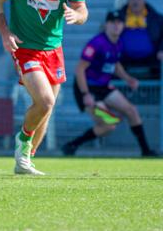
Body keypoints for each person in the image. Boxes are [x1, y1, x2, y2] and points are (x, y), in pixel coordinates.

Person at [0, 0, 88, 175]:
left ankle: (25, 159)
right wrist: (4, 32)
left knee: (47, 108)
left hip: (54, 50)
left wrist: (77, 17)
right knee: (44, 101)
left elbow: (82, 10)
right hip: (26, 48)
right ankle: (22, 141)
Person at [62, 11, 157, 157]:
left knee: (131, 111)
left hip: (103, 87)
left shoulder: (118, 43)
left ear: (123, 25)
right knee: (109, 124)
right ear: (106, 24)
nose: (116, 25)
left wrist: (128, 79)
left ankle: (146, 151)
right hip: (87, 88)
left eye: (119, 22)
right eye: (112, 22)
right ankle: (73, 144)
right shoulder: (96, 44)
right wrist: (85, 94)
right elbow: (80, 69)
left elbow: (115, 64)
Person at [118, 0, 163, 79]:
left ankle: (147, 92)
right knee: (106, 62)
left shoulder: (157, 18)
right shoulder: (117, 17)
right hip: (123, 56)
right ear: (128, 0)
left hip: (152, 57)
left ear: (144, 0)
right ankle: (118, 92)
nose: (135, 2)